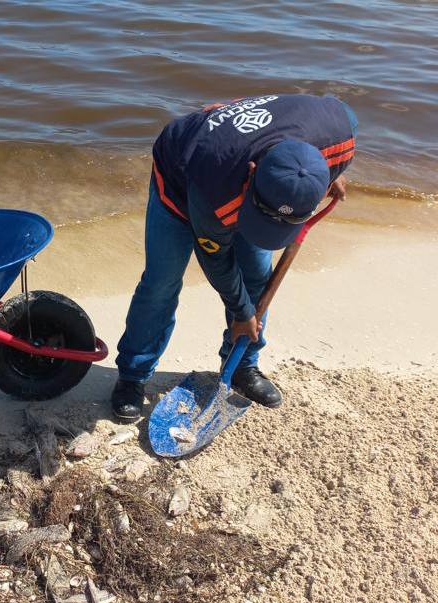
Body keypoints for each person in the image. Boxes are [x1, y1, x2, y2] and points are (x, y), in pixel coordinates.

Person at [112, 93, 357, 421]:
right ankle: (133, 374)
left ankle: (242, 366)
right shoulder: (213, 187)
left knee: (257, 275)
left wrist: (326, 174)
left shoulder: (335, 130)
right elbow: (217, 262)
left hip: (244, 164)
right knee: (162, 282)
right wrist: (242, 313)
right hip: (181, 177)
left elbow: (336, 130)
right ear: (253, 173)